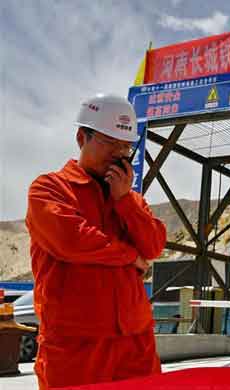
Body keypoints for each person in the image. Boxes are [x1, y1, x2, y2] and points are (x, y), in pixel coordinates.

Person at [25, 94, 167, 388]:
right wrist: (131, 257)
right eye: (110, 142)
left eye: (125, 146)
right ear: (81, 137)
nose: (119, 153)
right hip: (76, 348)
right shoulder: (49, 190)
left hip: (135, 345)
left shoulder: (130, 199)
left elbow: (153, 246)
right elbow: (73, 241)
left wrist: (125, 201)